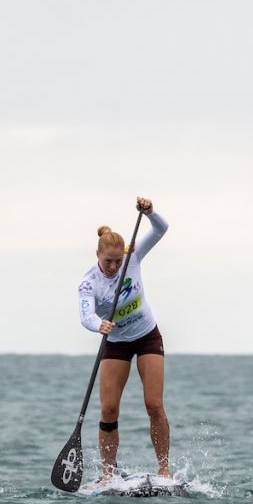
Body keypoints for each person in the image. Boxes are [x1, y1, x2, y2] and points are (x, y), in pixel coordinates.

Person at [78, 197, 170, 483]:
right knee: (108, 409)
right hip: (115, 343)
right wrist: (99, 324)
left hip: (147, 337)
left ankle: (164, 468)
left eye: (118, 261)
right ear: (97, 254)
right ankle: (108, 473)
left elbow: (160, 230)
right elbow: (85, 315)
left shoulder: (133, 257)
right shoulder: (89, 282)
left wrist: (151, 212)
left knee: (153, 404)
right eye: (108, 261)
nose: (114, 266)